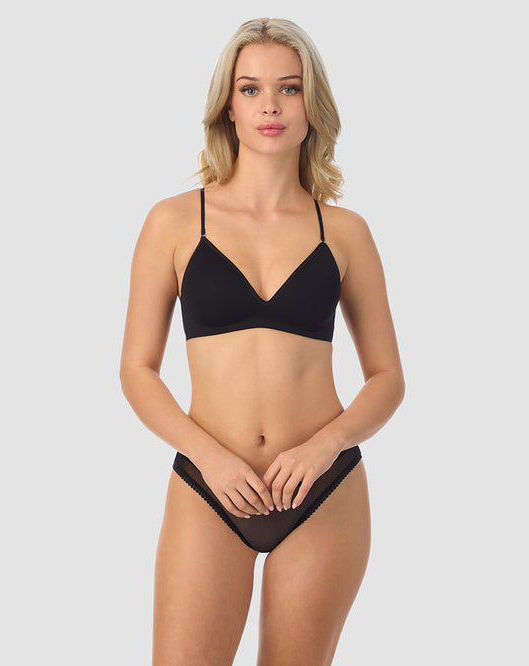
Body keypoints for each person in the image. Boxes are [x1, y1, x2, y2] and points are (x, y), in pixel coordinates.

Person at [120, 16, 405, 666]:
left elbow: (387, 377)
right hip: (210, 485)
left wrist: (325, 445)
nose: (270, 105)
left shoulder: (345, 232)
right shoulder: (174, 221)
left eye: (289, 88)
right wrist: (208, 457)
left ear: (312, 104)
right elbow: (137, 369)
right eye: (250, 89)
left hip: (322, 491)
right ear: (228, 105)